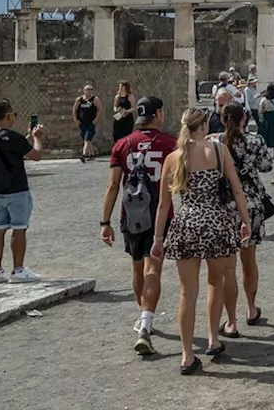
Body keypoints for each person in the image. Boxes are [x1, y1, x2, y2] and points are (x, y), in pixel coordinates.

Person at [151, 107, 252, 375]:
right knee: (215, 282)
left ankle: (186, 355)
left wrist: (158, 238)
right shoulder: (218, 151)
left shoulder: (173, 158)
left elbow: (163, 206)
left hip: (186, 223)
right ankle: (213, 338)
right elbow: (236, 188)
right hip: (215, 222)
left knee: (187, 292)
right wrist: (246, 220)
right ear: (204, 125)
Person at [102, 96, 174, 355]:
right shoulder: (169, 144)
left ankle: (142, 316)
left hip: (130, 214)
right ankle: (146, 322)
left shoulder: (122, 145)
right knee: (153, 268)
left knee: (136, 267)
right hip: (160, 214)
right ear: (157, 114)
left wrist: (105, 221)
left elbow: (112, 186)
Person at [211, 102, 273, 336]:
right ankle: (250, 308)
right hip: (253, 204)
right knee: (249, 261)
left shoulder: (215, 143)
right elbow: (266, 166)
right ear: (244, 118)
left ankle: (231, 320)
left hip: (226, 205)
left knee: (228, 267)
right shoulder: (256, 141)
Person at [0, 100, 45, 284]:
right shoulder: (14, 138)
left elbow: (11, 149)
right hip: (17, 189)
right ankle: (18, 269)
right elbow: (36, 155)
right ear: (9, 116)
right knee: (19, 228)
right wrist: (37, 137)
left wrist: (26, 135)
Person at [73, 84, 103, 162]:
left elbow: (99, 109)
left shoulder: (95, 99)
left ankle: (84, 155)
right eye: (88, 89)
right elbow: (75, 110)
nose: (89, 91)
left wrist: (96, 120)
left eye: (91, 89)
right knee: (87, 139)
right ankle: (92, 155)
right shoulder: (79, 99)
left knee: (87, 138)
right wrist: (76, 120)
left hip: (91, 122)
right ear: (84, 91)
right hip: (82, 122)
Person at [257, 84, 274, 157]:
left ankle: (266, 150)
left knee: (266, 133)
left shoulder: (264, 99)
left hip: (267, 117)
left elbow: (261, 111)